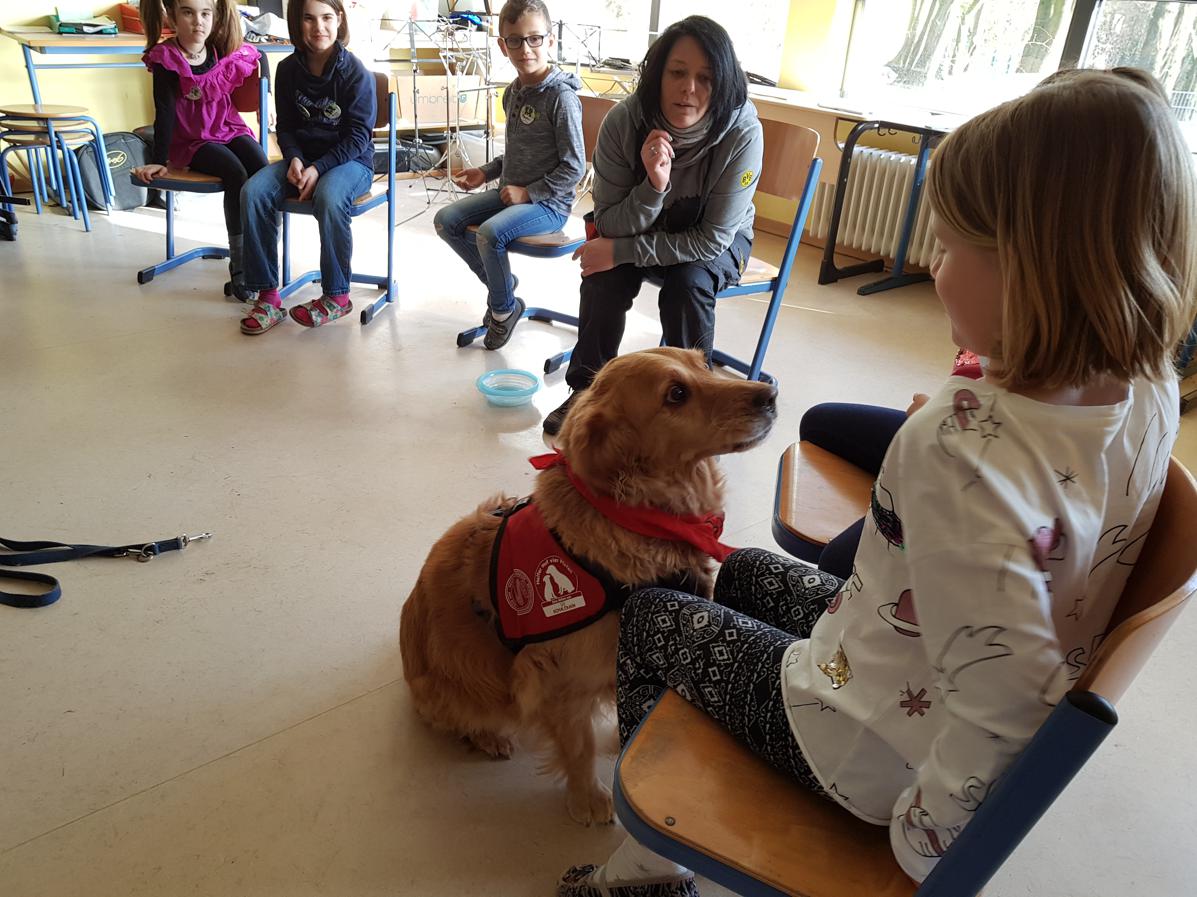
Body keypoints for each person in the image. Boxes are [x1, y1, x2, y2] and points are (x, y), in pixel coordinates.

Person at [558, 68, 1197, 897]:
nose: (934, 267)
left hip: (861, 751)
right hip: (896, 670)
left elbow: (1007, 694)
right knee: (743, 569)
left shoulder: (953, 452)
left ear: (1030, 272)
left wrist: (924, 851)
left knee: (649, 619)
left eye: (950, 246)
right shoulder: (1147, 387)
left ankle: (646, 870)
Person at [542, 15, 764, 436]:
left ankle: (696, 408)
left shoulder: (743, 134)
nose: (689, 89)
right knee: (603, 277)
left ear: (724, 83)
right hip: (640, 226)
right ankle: (586, 392)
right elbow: (607, 221)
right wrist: (654, 186)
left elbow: (713, 237)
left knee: (687, 283)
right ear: (657, 75)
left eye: (706, 77)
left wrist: (621, 251)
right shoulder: (622, 122)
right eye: (677, 73)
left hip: (715, 241)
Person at [433, 0, 584, 350]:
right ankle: (505, 290)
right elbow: (515, 153)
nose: (525, 48)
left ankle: (501, 309)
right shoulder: (512, 92)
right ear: (502, 45)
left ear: (550, 41)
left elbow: (574, 166)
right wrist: (484, 172)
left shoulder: (562, 98)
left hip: (549, 204)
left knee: (489, 234)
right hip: (511, 194)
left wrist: (529, 193)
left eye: (534, 38)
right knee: (446, 220)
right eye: (515, 40)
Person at [238, 0, 375, 335]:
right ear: (297, 24)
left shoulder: (355, 72)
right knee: (253, 191)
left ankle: (337, 296)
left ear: (339, 20)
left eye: (327, 18)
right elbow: (285, 126)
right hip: (303, 159)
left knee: (329, 197)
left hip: (350, 162)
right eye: (309, 19)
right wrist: (296, 157)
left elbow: (359, 136)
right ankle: (268, 295)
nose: (319, 28)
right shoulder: (287, 70)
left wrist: (319, 168)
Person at [134, 0, 268, 301]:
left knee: (262, 170)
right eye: (188, 13)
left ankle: (263, 256)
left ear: (215, 16)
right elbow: (165, 111)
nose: (198, 22)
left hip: (227, 128)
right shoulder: (167, 58)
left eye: (205, 13)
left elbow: (261, 56)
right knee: (236, 174)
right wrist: (159, 160)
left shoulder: (221, 47)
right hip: (193, 141)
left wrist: (266, 97)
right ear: (172, 15)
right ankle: (241, 266)